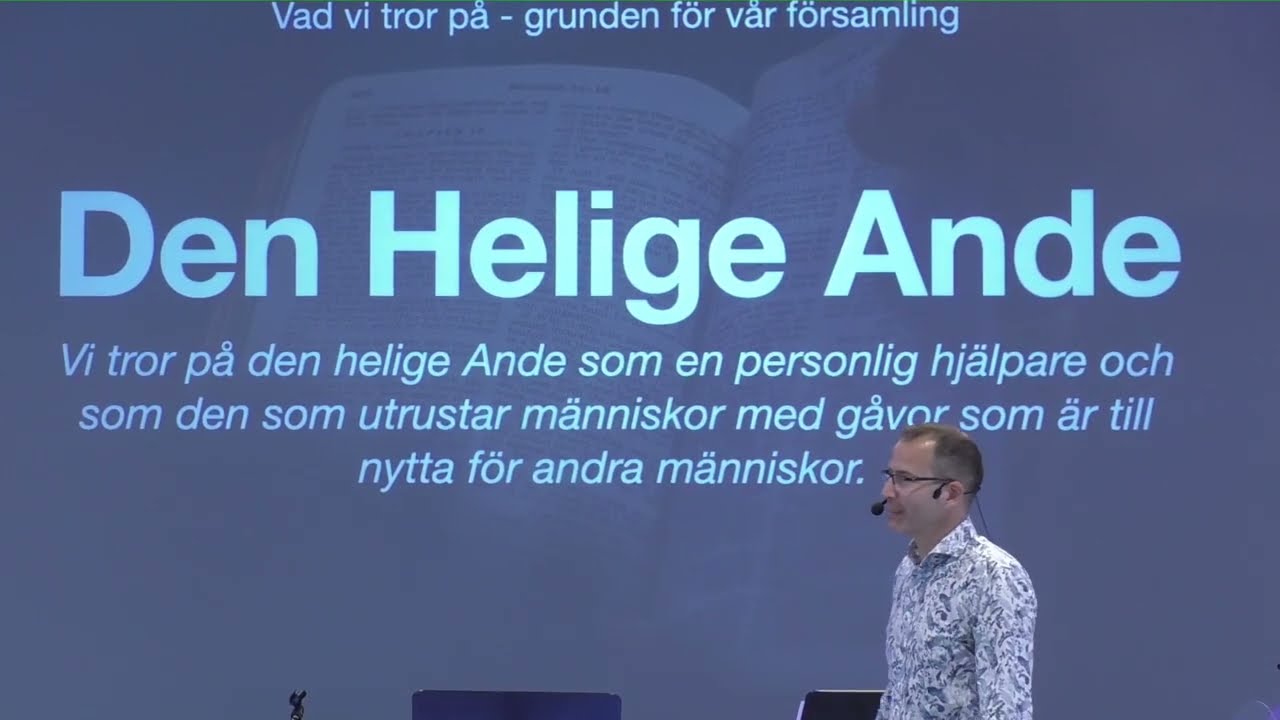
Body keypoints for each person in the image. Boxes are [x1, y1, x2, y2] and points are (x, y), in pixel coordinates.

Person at [874, 423, 1036, 720]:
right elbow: (897, 695)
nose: (887, 492)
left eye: (905, 479)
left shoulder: (994, 575)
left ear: (950, 493)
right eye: (890, 476)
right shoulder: (908, 570)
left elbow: (1007, 708)